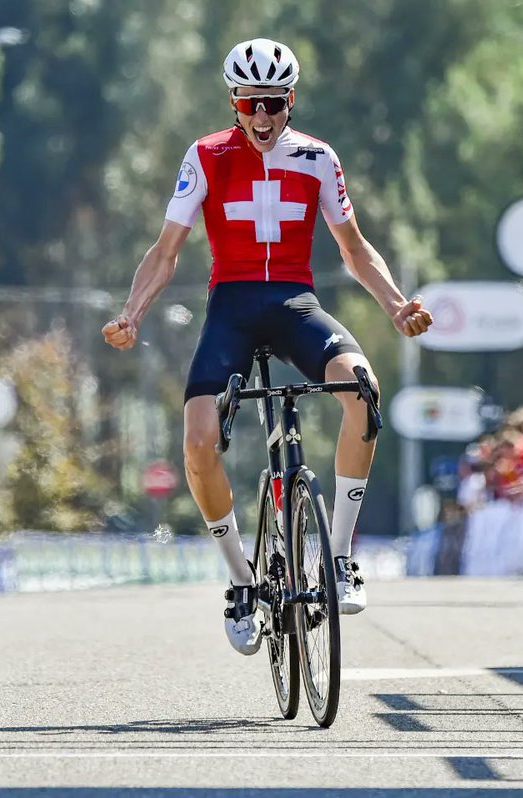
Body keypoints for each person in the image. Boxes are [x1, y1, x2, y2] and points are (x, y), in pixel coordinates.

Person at [102, 39, 433, 655]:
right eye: (251, 103)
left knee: (363, 390)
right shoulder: (204, 156)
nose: (262, 117)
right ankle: (240, 583)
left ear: (290, 100)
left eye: (274, 104)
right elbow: (166, 251)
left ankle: (338, 558)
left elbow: (355, 249)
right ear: (234, 100)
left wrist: (396, 305)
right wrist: (131, 313)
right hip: (231, 310)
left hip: (294, 304)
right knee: (199, 439)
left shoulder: (316, 156)